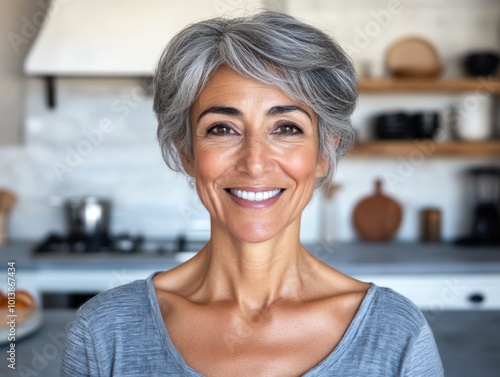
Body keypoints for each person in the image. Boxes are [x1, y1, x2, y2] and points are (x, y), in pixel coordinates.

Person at [60, 11, 444, 377]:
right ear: (186, 153)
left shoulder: (396, 335)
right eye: (223, 129)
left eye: (287, 128)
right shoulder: (104, 333)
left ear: (324, 153)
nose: (255, 163)